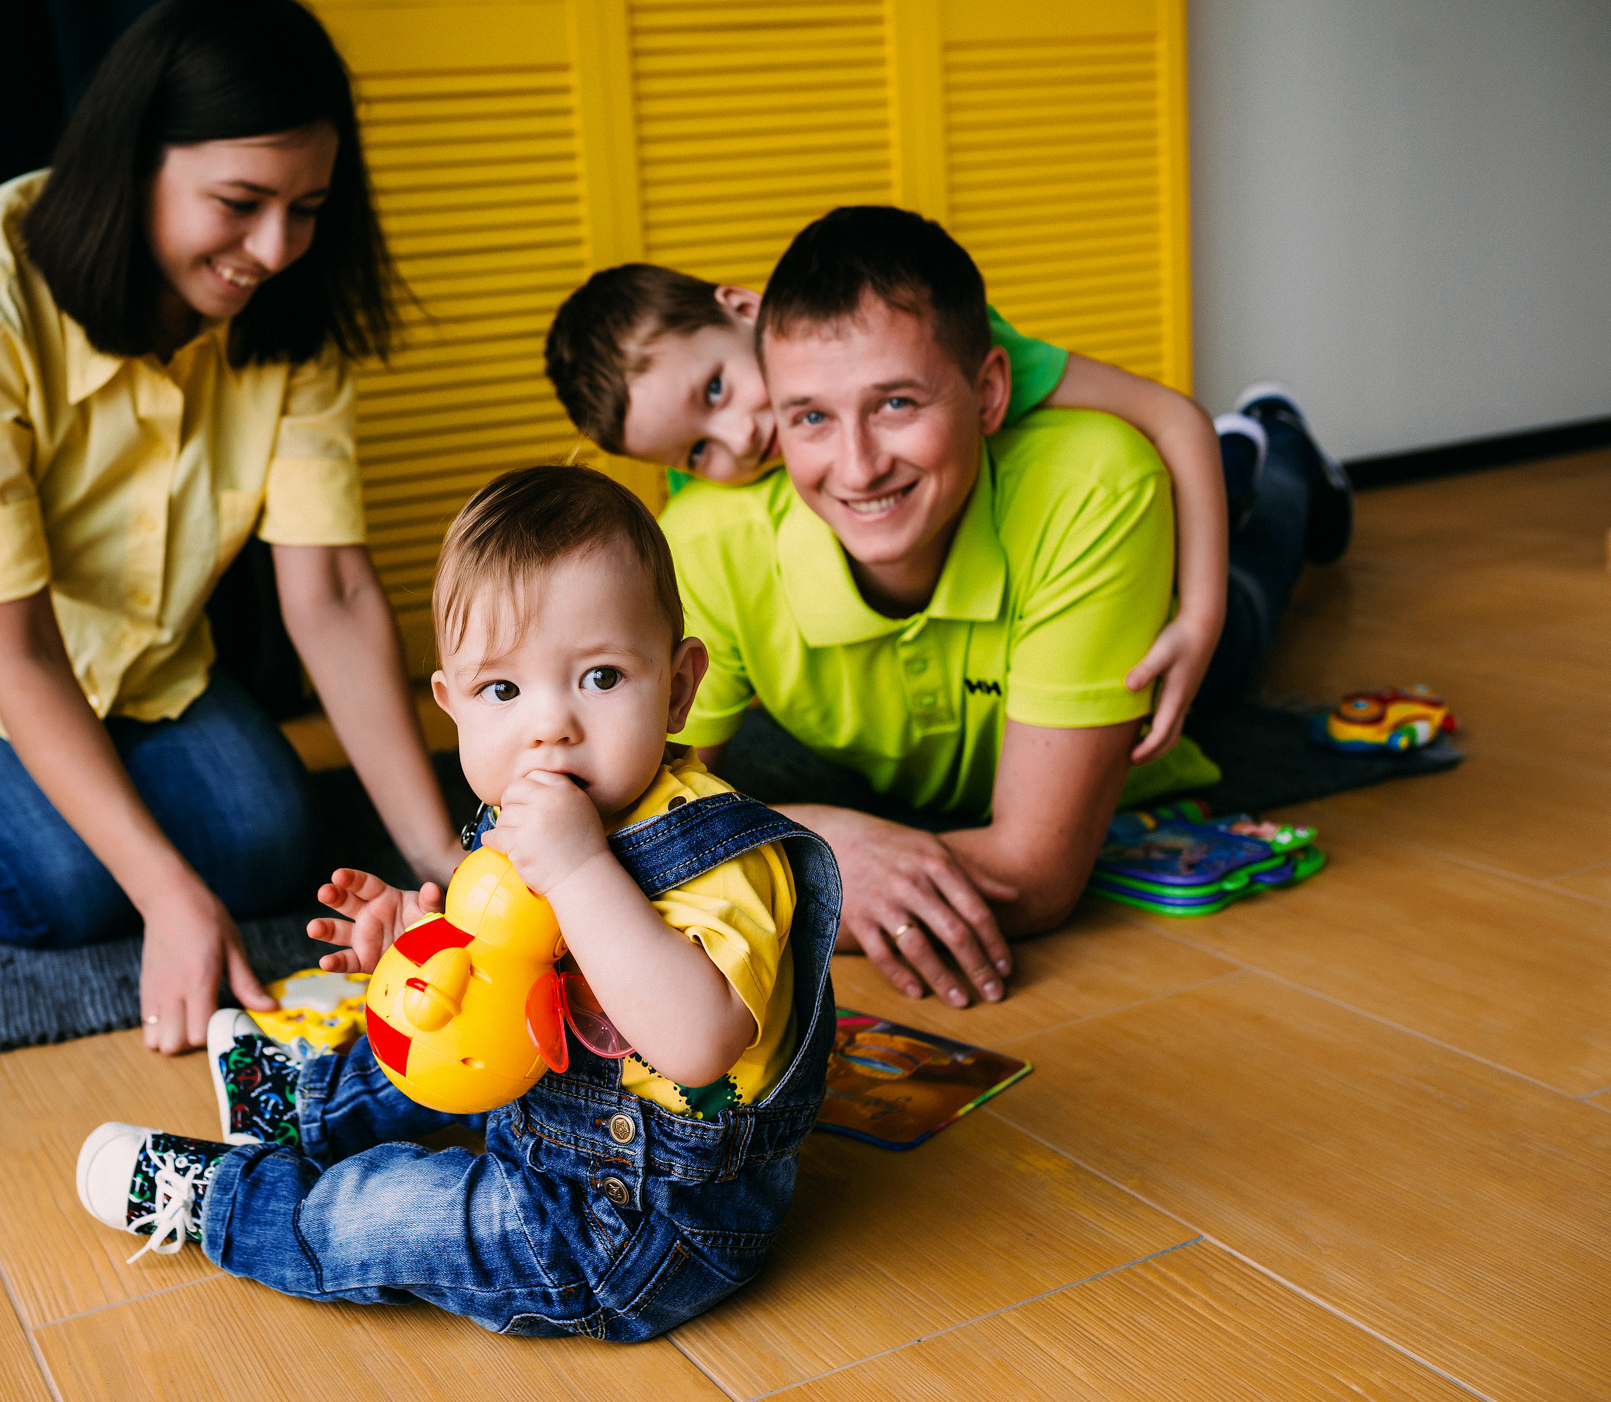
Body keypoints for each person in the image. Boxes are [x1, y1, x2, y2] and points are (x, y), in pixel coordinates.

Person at [0, 0, 465, 1055]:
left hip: (133, 658)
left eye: (308, 208)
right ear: (132, 159)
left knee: (270, 845)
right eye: (240, 203)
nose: (276, 248)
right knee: (67, 888)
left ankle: (56, 806)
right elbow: (10, 643)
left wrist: (440, 858)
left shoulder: (289, 313)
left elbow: (330, 593)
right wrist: (165, 895)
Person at [72, 465, 844, 1341]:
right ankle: (305, 1105)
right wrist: (419, 941)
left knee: (397, 1212)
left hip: (632, 1231)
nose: (548, 725)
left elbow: (698, 1045)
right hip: (534, 1105)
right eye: (503, 692)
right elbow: (498, 977)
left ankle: (226, 1204)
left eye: (599, 678)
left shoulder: (719, 855)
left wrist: (582, 869)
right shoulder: (525, 815)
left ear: (675, 687)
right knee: (428, 1031)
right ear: (452, 707)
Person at [650, 207, 1352, 1009]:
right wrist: (824, 849)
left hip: (1166, 653)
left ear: (989, 393)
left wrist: (779, 866)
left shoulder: (1098, 482)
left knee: (1252, 596)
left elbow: (1035, 874)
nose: (858, 465)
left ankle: (1283, 445)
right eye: (810, 416)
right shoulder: (703, 539)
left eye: (896, 405)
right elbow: (636, 829)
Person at [545, 267, 1354, 769]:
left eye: (716, 390)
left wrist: (1202, 615)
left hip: (1109, 558)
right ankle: (1245, 467)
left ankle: (1276, 450)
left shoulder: (923, 342)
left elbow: (1170, 417)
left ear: (743, 307)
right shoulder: (713, 516)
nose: (740, 439)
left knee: (1246, 602)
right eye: (695, 452)